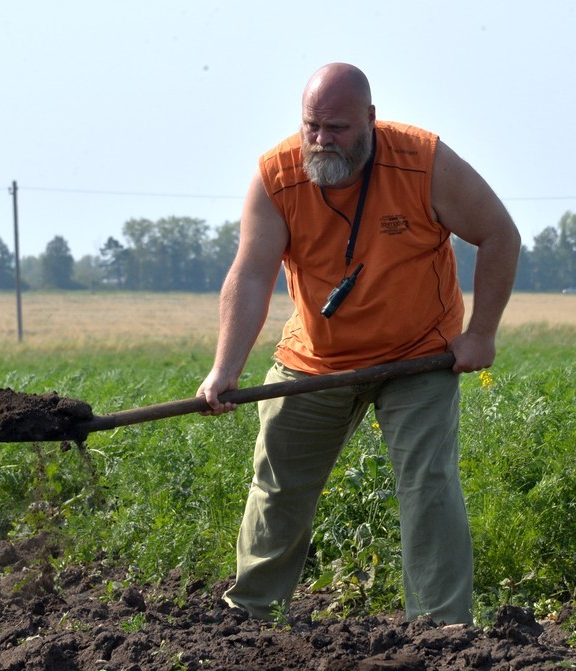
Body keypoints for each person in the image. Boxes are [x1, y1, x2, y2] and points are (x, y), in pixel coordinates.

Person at [197, 63, 520, 625]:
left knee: (428, 486)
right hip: (315, 358)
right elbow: (251, 274)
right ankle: (249, 618)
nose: (322, 140)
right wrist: (226, 367)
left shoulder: (423, 162)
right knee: (278, 485)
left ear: (370, 120)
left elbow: (500, 234)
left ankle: (441, 629)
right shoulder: (276, 176)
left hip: (420, 354)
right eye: (312, 126)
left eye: (338, 128)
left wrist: (481, 334)